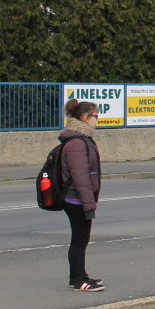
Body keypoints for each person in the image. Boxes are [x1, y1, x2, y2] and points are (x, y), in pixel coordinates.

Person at [60, 99, 104, 292]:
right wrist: (89, 204)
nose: (97, 119)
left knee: (81, 239)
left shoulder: (80, 139)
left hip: (78, 198)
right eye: (96, 116)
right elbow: (81, 177)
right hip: (75, 199)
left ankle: (80, 276)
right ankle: (78, 280)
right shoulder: (77, 142)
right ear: (85, 117)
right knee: (79, 240)